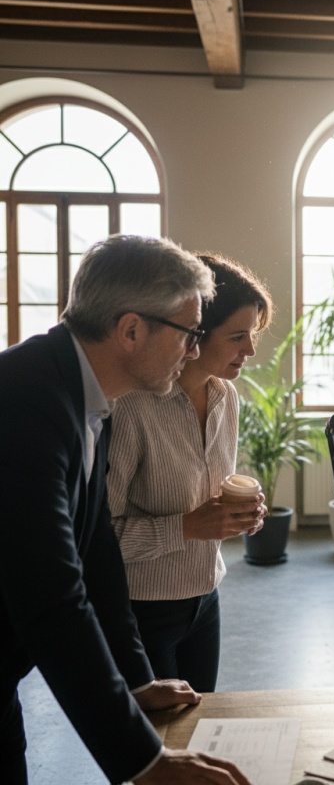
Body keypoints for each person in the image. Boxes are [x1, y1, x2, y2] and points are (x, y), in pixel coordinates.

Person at [0, 235, 252, 785]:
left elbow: (95, 554)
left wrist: (138, 681)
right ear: (131, 329)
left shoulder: (88, 397)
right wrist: (144, 760)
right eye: (188, 334)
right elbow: (53, 599)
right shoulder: (23, 402)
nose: (193, 350)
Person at [107, 253, 271, 692]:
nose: (251, 350)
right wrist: (188, 527)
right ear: (196, 333)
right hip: (143, 611)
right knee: (158, 746)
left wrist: (240, 513)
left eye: (252, 335)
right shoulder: (130, 407)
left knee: (199, 730)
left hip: (206, 600)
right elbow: (97, 539)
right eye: (238, 336)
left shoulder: (226, 397)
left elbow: (209, 503)